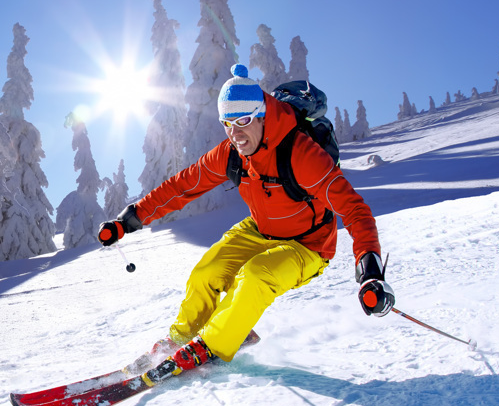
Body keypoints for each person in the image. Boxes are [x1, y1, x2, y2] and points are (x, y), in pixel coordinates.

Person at [98, 64, 393, 372]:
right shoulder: (231, 153)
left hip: (308, 244)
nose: (236, 134)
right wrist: (128, 220)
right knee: (207, 272)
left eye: (243, 121)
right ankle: (180, 339)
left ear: (263, 114)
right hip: (260, 230)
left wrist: (369, 268)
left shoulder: (301, 154)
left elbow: (354, 209)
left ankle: (212, 345)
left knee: (255, 276)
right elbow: (183, 186)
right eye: (228, 124)